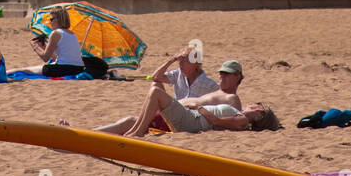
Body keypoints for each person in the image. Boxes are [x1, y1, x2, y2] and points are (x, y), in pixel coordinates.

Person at [97, 59, 247, 136]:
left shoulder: (231, 98)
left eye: (227, 74)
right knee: (130, 119)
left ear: (237, 77)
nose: (222, 76)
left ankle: (136, 132)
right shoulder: (215, 91)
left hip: (181, 118)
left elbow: (234, 122)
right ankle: (89, 132)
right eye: (221, 73)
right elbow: (156, 77)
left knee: (152, 95)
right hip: (172, 113)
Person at [97, 80, 281, 140]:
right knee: (153, 91)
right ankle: (132, 131)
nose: (253, 104)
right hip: (191, 117)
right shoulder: (240, 115)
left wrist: (198, 107)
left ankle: (135, 133)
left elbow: (217, 122)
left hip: (192, 120)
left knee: (155, 92)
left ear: (259, 115)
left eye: (258, 106)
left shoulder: (242, 120)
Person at [24, 7, 101, 77]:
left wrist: (34, 46)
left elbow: (45, 58)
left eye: (51, 19)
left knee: (24, 70)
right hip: (78, 69)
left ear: (59, 19)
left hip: (63, 69)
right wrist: (43, 47)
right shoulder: (72, 34)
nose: (50, 22)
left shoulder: (56, 33)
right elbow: (59, 58)